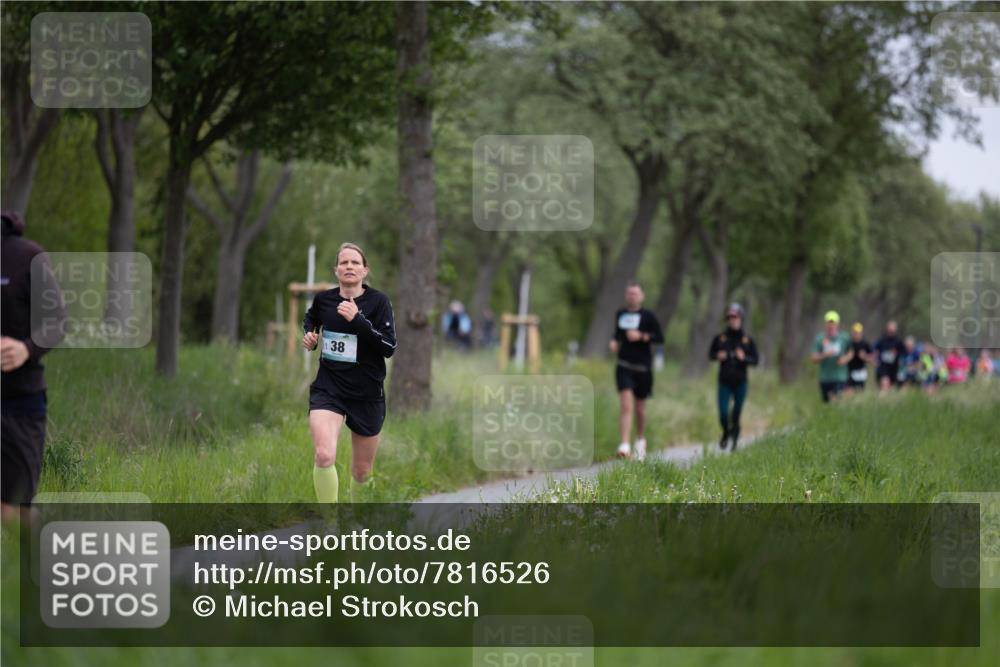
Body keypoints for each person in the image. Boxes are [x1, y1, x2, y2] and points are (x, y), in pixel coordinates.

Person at [302, 242, 396, 503]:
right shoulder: (324, 300)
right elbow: (311, 320)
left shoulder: (378, 302)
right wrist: (310, 335)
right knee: (323, 455)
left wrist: (358, 320)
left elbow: (389, 347)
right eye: (344, 262)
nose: (349, 266)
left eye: (355, 262)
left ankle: (360, 526)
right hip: (329, 389)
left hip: (366, 393)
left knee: (362, 472)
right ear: (336, 270)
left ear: (365, 270)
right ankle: (329, 528)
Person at [1, 210, 65, 521]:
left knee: (14, 511)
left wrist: (25, 349)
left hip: (19, 403)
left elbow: (56, 322)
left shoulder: (27, 257)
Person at [609, 281, 664, 461]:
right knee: (626, 404)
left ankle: (640, 439)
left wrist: (641, 336)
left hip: (643, 368)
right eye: (630, 293)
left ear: (642, 296)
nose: (632, 296)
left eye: (635, 293)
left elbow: (660, 337)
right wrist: (614, 341)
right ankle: (624, 445)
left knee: (640, 409)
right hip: (624, 365)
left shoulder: (648, 316)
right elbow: (618, 333)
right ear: (626, 296)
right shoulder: (621, 314)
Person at [707, 303, 758, 451]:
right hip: (724, 382)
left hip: (741, 382)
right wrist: (718, 355)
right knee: (723, 413)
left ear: (741, 318)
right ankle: (726, 432)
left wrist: (744, 358)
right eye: (729, 317)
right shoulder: (721, 338)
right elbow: (710, 355)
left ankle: (735, 441)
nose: (732, 320)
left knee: (736, 413)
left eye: (734, 317)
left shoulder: (747, 340)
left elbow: (755, 360)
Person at [811, 310, 852, 403]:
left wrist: (845, 359)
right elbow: (813, 358)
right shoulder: (820, 338)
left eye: (833, 323)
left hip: (840, 377)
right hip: (825, 378)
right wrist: (825, 354)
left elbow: (851, 352)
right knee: (826, 403)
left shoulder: (844, 338)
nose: (831, 325)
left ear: (838, 324)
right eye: (829, 323)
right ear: (825, 324)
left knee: (835, 400)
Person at [872, 320, 905, 393]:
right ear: (887, 329)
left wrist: (897, 355)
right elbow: (875, 350)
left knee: (890, 389)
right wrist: (874, 360)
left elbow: (903, 353)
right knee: (884, 385)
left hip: (893, 368)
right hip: (883, 367)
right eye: (889, 330)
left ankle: (885, 401)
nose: (891, 332)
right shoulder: (882, 340)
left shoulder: (898, 341)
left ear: (895, 330)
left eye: (892, 330)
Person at [844, 322, 872, 396]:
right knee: (849, 391)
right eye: (855, 332)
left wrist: (864, 357)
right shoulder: (848, 343)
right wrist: (848, 356)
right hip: (850, 371)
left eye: (858, 332)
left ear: (861, 333)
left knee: (859, 392)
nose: (856, 334)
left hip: (860, 372)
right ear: (852, 332)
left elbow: (872, 360)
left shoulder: (865, 344)